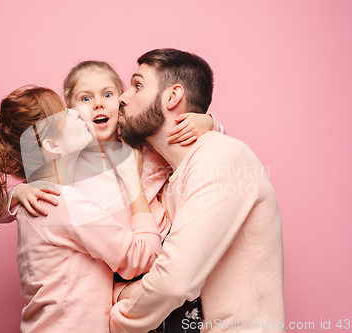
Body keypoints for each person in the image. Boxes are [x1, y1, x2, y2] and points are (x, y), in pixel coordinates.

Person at [5, 61, 227, 331]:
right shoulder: (67, 163)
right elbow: (17, 203)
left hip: (158, 255)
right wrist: (18, 191)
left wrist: (209, 122)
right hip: (118, 269)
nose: (98, 104)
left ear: (122, 102)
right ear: (70, 111)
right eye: (85, 99)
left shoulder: (145, 147)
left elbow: (205, 149)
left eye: (107, 94)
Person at [0, 86, 163, 333]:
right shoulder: (60, 201)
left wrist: (15, 193)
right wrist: (134, 182)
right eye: (64, 113)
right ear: (52, 145)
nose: (77, 112)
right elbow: (142, 258)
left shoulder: (35, 195)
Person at [110, 48, 286, 333]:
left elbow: (175, 279)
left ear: (172, 96)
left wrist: (115, 311)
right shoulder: (171, 179)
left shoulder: (221, 156)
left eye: (137, 85)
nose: (122, 97)